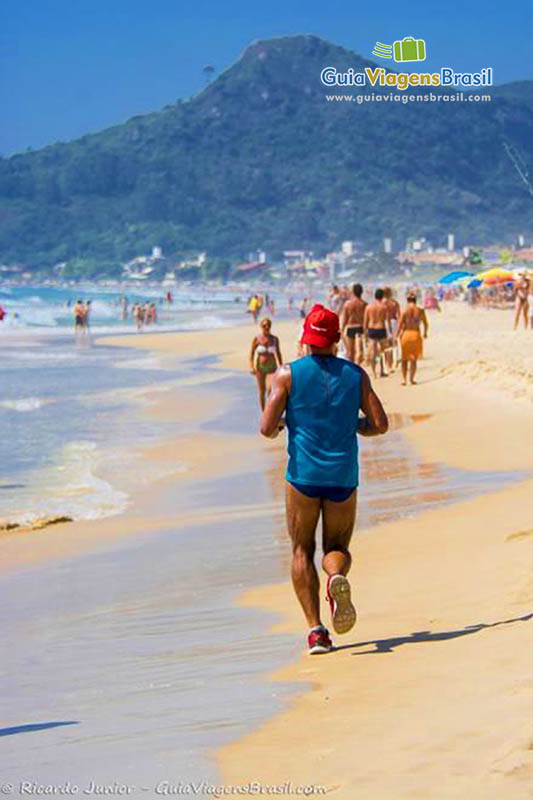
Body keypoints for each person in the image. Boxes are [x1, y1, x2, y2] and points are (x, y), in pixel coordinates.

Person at [260, 304, 388, 654]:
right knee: (337, 548)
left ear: (306, 339)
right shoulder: (356, 375)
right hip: (343, 476)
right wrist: (353, 425)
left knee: (302, 548)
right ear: (335, 339)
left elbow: (266, 427)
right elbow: (380, 424)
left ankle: (317, 631)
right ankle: (335, 578)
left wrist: (289, 424)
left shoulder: (287, 375)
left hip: (303, 476)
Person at [249, 317, 283, 410]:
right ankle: (264, 411)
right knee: (262, 390)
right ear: (261, 326)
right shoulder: (256, 339)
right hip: (260, 367)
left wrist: (281, 366)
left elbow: (278, 353)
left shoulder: (275, 339)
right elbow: (252, 353)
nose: (266, 327)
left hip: (272, 367)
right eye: (264, 326)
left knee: (271, 389)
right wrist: (251, 366)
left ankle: (270, 408)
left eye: (268, 325)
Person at [397, 293, 429, 386]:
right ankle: (411, 379)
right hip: (416, 334)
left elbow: (399, 325)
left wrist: (396, 336)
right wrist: (425, 333)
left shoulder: (404, 310)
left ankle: (404, 380)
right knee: (413, 359)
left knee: (404, 359)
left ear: (408, 301)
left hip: (406, 334)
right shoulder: (420, 310)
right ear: (415, 300)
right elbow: (426, 324)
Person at [363, 289, 389, 378]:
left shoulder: (369, 307)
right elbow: (387, 320)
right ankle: (381, 370)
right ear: (382, 296)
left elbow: (365, 321)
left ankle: (374, 373)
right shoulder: (384, 307)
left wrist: (365, 333)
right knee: (381, 351)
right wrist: (389, 332)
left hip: (372, 330)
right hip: (381, 329)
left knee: (373, 352)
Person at [339, 283, 367, 365]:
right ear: (361, 292)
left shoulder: (348, 304)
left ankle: (352, 368)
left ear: (353, 292)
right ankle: (357, 366)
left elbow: (345, 319)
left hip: (350, 327)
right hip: (360, 327)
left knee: (350, 352)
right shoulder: (364, 304)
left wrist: (342, 329)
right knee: (360, 351)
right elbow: (366, 319)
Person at [383, 287, 401, 371]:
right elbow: (399, 316)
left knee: (387, 345)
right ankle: (395, 361)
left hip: (384, 323)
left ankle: (388, 365)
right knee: (395, 343)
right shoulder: (394, 303)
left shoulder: (381, 303)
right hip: (393, 322)